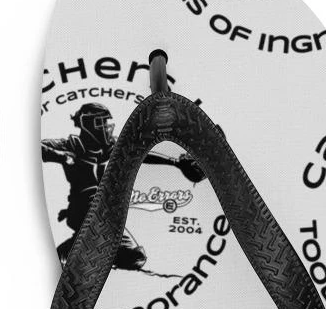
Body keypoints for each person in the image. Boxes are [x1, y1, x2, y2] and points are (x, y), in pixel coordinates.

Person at [42, 102, 205, 270]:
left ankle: (72, 249)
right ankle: (74, 251)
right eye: (100, 122)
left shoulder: (111, 146)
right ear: (87, 123)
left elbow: (140, 154)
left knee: (136, 259)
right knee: (98, 230)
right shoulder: (72, 145)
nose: (106, 126)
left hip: (107, 211)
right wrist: (61, 156)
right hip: (82, 208)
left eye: (106, 122)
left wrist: (174, 162)